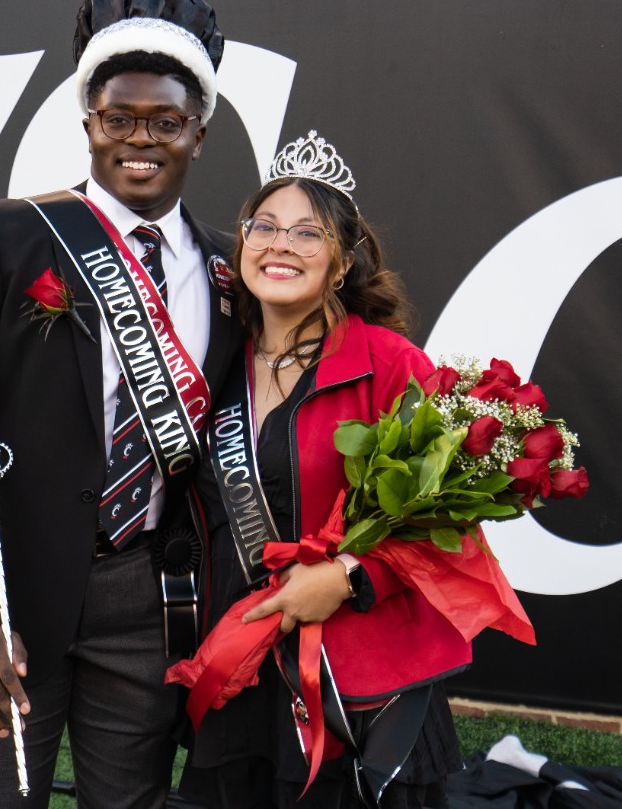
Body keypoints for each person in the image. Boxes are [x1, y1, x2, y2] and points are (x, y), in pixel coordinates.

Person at [0, 0, 242, 809]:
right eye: (118, 117)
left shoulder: (233, 270)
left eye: (166, 121)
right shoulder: (8, 234)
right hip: (11, 591)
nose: (141, 138)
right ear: (88, 123)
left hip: (153, 595)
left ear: (197, 134)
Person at [171, 132, 531, 808]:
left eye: (307, 233)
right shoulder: (211, 358)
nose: (280, 244)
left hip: (362, 686)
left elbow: (448, 523)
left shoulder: (391, 363)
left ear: (340, 262)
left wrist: (347, 576)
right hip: (243, 668)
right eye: (265, 226)